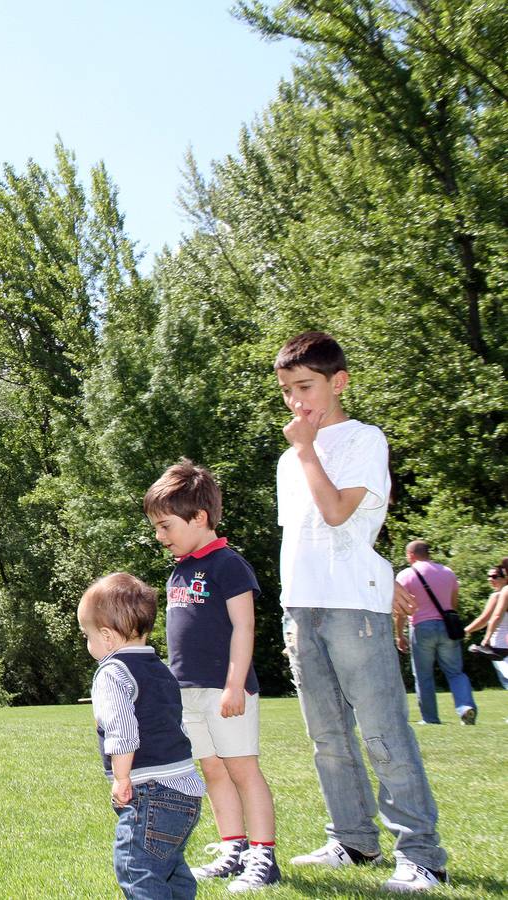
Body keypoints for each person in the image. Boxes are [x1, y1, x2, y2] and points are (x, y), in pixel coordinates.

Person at [274, 332, 447, 892]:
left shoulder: (363, 440)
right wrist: (291, 609)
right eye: (286, 390)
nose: (296, 401)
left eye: (306, 387)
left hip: (354, 611)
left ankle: (421, 854)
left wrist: (306, 450)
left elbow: (337, 515)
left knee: (382, 733)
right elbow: (306, 540)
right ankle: (351, 840)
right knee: (328, 737)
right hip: (303, 606)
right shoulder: (286, 457)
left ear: (338, 382)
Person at [145, 460, 279, 892]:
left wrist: (235, 684)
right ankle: (233, 848)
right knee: (214, 771)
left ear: (199, 517)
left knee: (243, 770)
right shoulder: (179, 570)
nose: (160, 537)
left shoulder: (228, 565)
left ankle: (263, 856)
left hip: (227, 691)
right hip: (188, 693)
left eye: (166, 526)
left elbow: (245, 627)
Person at [79, 573, 205, 900]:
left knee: (136, 867)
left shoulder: (112, 672)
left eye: (87, 635)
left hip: (150, 791)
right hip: (186, 788)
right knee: (170, 866)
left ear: (106, 636)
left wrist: (122, 778)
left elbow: (123, 730)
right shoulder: (159, 667)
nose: (87, 643)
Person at [395, 541, 476, 725]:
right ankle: (465, 707)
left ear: (410, 555)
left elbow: (400, 609)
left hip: (421, 627)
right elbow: (453, 604)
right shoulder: (447, 572)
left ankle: (430, 718)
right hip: (447, 627)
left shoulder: (407, 574)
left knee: (423, 675)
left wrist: (399, 635)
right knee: (456, 672)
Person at [465, 560, 508, 689]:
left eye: (495, 576)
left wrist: (466, 631)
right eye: (489, 576)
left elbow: (486, 619)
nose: (490, 579)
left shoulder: (498, 595)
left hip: (500, 647)